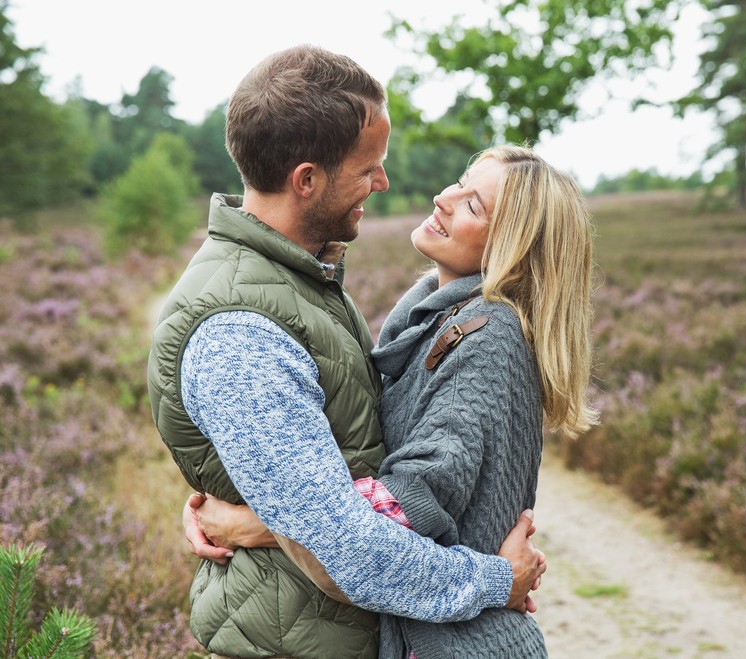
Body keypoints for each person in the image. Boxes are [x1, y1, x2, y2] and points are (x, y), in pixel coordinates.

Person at [146, 44, 546, 659]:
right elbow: (343, 547)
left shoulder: (302, 283)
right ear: (307, 180)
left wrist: (255, 515)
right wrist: (497, 581)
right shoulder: (240, 330)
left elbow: (326, 484)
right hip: (299, 642)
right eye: (368, 167)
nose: (384, 183)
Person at [186, 144, 599, 658]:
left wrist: (251, 523)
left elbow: (414, 496)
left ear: (512, 247)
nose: (444, 198)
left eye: (475, 205)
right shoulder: (433, 322)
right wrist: (253, 485)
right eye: (460, 182)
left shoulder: (491, 335)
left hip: (460, 644)